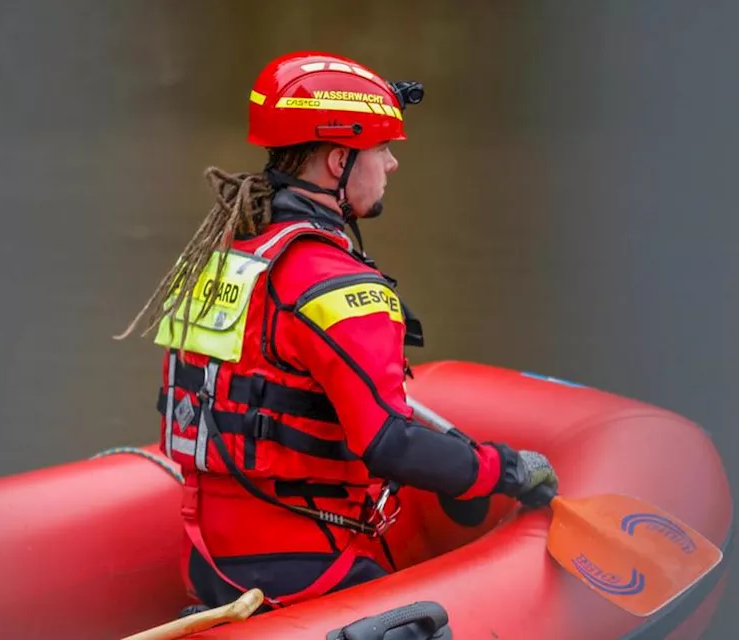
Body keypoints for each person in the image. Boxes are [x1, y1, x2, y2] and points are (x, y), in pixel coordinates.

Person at [116, 50, 560, 611]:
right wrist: (504, 469)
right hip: (305, 574)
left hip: (210, 568)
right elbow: (388, 443)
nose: (392, 165)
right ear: (336, 161)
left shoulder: (225, 257)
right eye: (382, 150)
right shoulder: (337, 286)